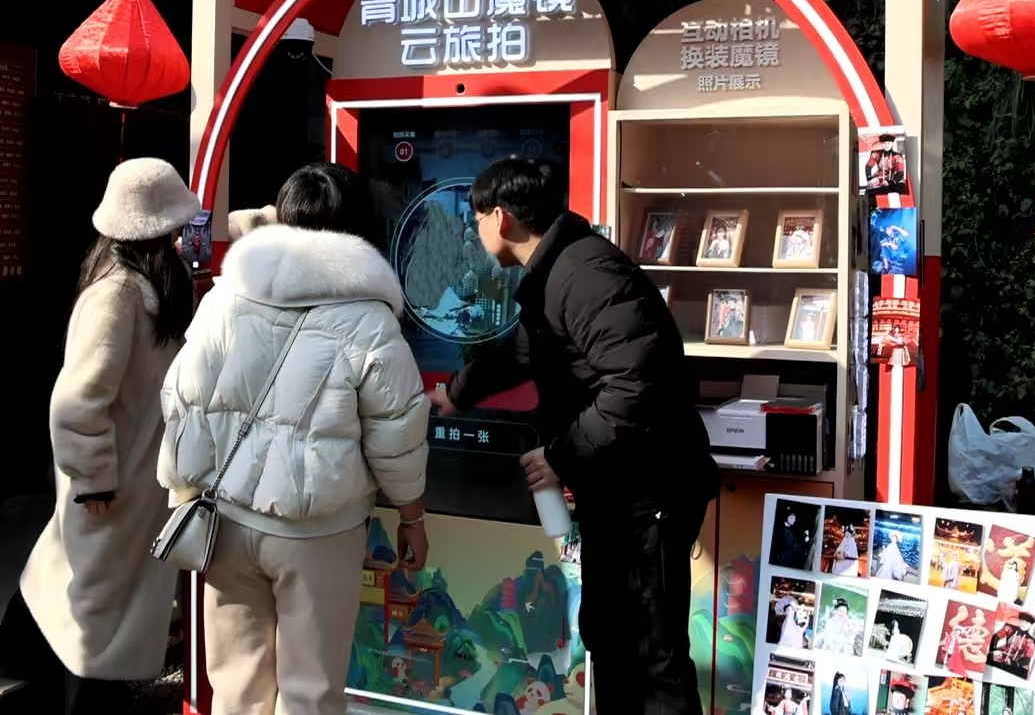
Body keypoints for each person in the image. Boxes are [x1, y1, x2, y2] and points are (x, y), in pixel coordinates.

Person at [429, 158, 718, 715]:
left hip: (648, 493)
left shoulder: (585, 274)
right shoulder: (556, 272)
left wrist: (562, 455)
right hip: (618, 490)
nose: (474, 231)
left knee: (650, 654)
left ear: (502, 218)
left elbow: (633, 384)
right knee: (609, 634)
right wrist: (458, 393)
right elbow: (522, 352)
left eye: (476, 218)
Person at [158, 162, 430, 715]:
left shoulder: (226, 295)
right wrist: (412, 516)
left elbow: (181, 399)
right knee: (310, 692)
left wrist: (182, 488)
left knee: (236, 690)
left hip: (225, 523)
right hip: (317, 534)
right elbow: (396, 430)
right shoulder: (369, 319)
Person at [0, 158, 200, 713]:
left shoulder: (147, 287)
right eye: (175, 226)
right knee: (92, 616)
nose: (182, 237)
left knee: (87, 602)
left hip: (129, 488)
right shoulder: (119, 294)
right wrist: (95, 480)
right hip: (109, 491)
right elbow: (77, 401)